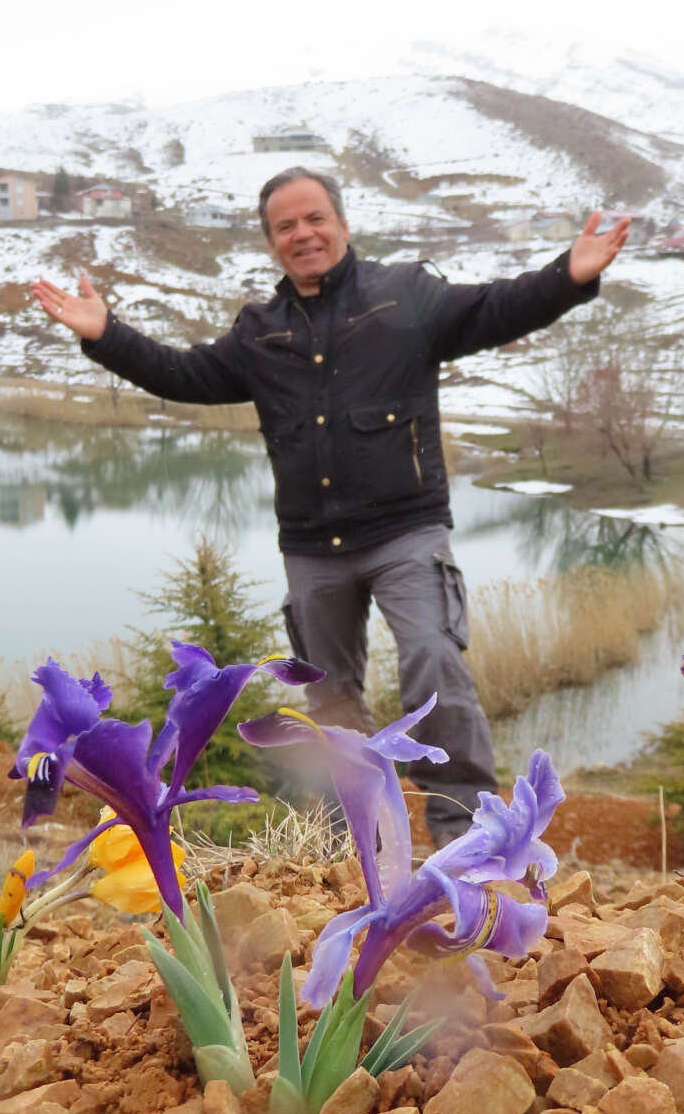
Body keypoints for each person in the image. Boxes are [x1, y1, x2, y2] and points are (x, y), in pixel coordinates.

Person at [32, 166, 629, 844]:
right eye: (285, 226)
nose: (302, 233)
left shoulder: (405, 298)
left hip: (406, 532)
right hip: (314, 551)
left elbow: (497, 307)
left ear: (343, 224)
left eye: (314, 218)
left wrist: (569, 276)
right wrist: (105, 333)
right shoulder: (260, 332)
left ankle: (467, 835)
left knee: (434, 658)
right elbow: (183, 373)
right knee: (333, 703)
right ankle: (367, 846)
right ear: (271, 243)